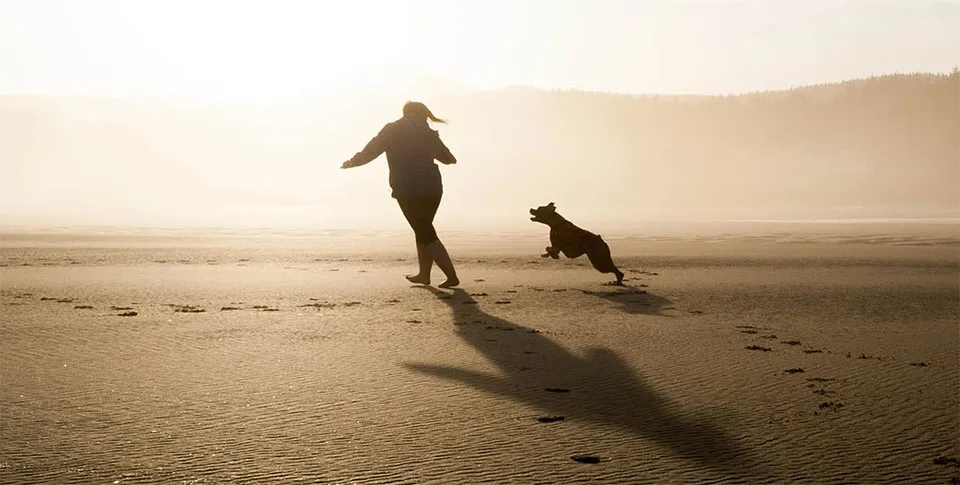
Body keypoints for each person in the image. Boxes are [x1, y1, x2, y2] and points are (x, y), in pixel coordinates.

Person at [341, 101, 460, 288]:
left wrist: (352, 162)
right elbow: (448, 159)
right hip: (433, 188)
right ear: (421, 115)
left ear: (406, 114)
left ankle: (451, 276)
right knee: (422, 229)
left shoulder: (393, 130)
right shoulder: (427, 133)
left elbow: (372, 150)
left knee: (425, 231)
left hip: (408, 188)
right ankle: (424, 275)